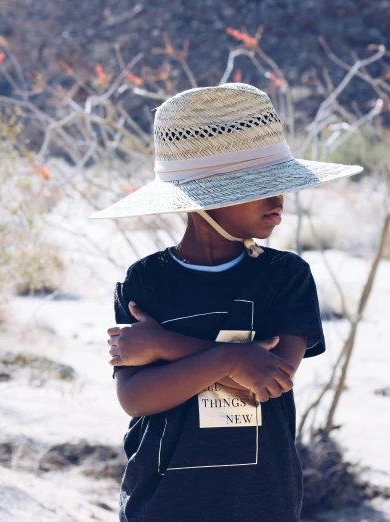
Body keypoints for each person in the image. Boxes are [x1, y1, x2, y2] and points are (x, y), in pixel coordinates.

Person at [89, 83, 363, 522]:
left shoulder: (285, 277)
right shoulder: (145, 282)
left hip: (261, 503)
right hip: (161, 503)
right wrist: (231, 359)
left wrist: (166, 346)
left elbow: (270, 378)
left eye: (281, 186)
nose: (278, 202)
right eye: (260, 188)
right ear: (202, 199)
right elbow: (136, 398)